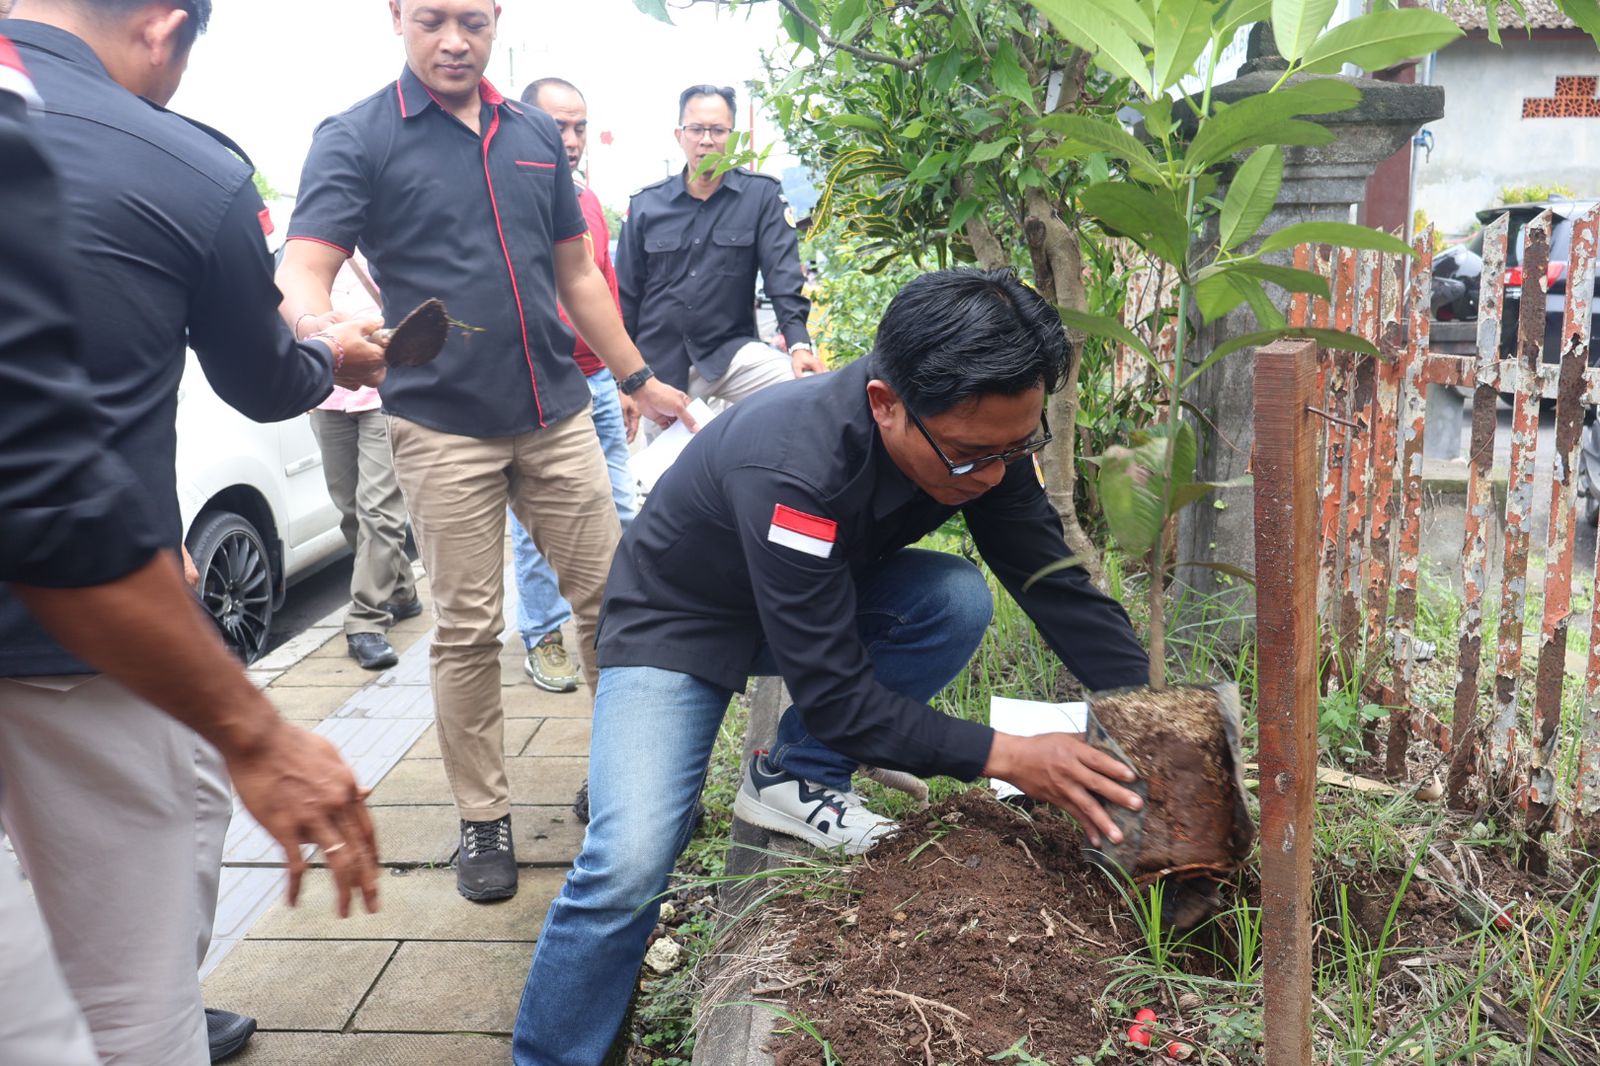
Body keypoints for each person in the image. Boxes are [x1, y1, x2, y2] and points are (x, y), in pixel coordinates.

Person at [512, 269, 1152, 1065]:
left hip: (810, 595)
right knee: (631, 857)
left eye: (1017, 447)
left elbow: (1054, 586)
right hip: (680, 617)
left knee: (952, 598)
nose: (991, 475)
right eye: (969, 456)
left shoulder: (979, 437)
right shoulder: (794, 466)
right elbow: (841, 696)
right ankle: (554, 1054)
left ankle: (793, 777)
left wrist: (1156, 718)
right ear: (887, 403)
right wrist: (1014, 757)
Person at [0, 11, 382, 1066]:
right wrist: (257, 730)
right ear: (169, 25)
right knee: (126, 1004)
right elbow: (255, 380)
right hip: (88, 642)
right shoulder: (177, 163)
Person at [276, 0, 695, 905]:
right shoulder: (357, 136)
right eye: (432, 19)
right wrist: (322, 326)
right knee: (467, 630)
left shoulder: (535, 134)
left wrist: (637, 377)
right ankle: (483, 819)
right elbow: (304, 264)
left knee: (613, 605)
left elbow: (577, 272)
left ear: (497, 16)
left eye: (472, 19)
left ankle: (622, 784)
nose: (454, 40)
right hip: (438, 423)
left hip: (555, 411)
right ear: (397, 17)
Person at [509, 76, 638, 694]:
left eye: (579, 125)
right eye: (556, 125)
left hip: (601, 385)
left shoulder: (587, 201)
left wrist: (628, 376)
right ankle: (543, 634)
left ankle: (622, 628)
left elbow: (602, 289)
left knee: (620, 511)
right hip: (544, 391)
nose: (570, 138)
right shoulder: (512, 195)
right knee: (538, 529)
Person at [616, 83, 823, 409]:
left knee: (809, 392)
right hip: (661, 366)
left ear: (733, 136)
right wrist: (626, 380)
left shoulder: (761, 196)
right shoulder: (645, 205)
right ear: (679, 135)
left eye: (718, 130)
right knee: (674, 460)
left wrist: (799, 345)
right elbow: (626, 297)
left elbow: (782, 276)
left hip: (731, 355)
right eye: (696, 129)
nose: (707, 139)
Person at [306, 255, 423, 672]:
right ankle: (403, 591)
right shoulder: (300, 260)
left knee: (379, 510)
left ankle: (366, 620)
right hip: (327, 396)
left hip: (382, 395)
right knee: (351, 509)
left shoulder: (380, 242)